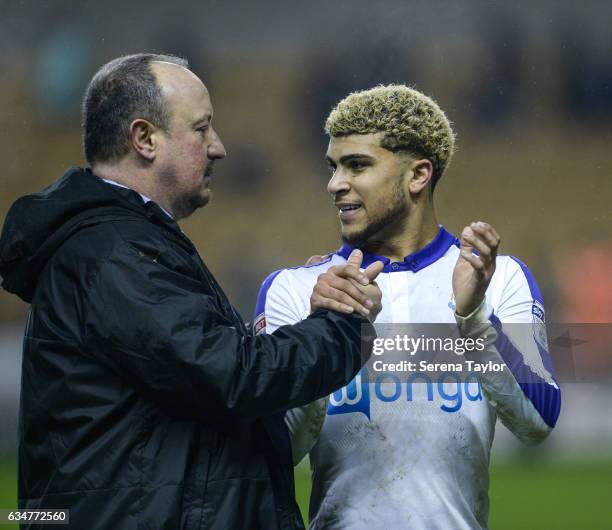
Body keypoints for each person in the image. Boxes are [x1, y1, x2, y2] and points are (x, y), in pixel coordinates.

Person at [0, 54, 385, 530]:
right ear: (144, 139)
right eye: (201, 129)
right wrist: (340, 321)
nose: (218, 147)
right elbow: (232, 376)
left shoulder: (119, 244)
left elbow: (190, 375)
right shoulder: (112, 254)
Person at [254, 85, 561, 529]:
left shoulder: (500, 278)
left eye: (357, 165)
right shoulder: (294, 289)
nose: (335, 184)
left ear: (418, 176)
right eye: (333, 166)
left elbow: (538, 423)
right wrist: (326, 331)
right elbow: (270, 450)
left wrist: (473, 319)